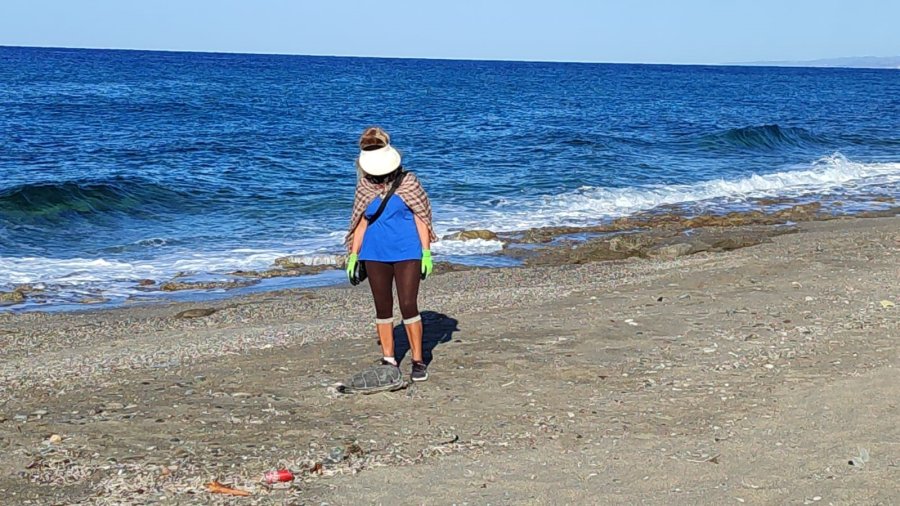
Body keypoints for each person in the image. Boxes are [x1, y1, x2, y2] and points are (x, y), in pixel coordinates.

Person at [345, 127, 438, 382]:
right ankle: (389, 358)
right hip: (374, 253)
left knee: (408, 305)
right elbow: (360, 223)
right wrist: (353, 255)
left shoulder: (409, 182)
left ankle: (418, 360)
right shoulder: (364, 185)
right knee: (382, 307)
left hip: (408, 251)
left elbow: (422, 218)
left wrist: (426, 252)